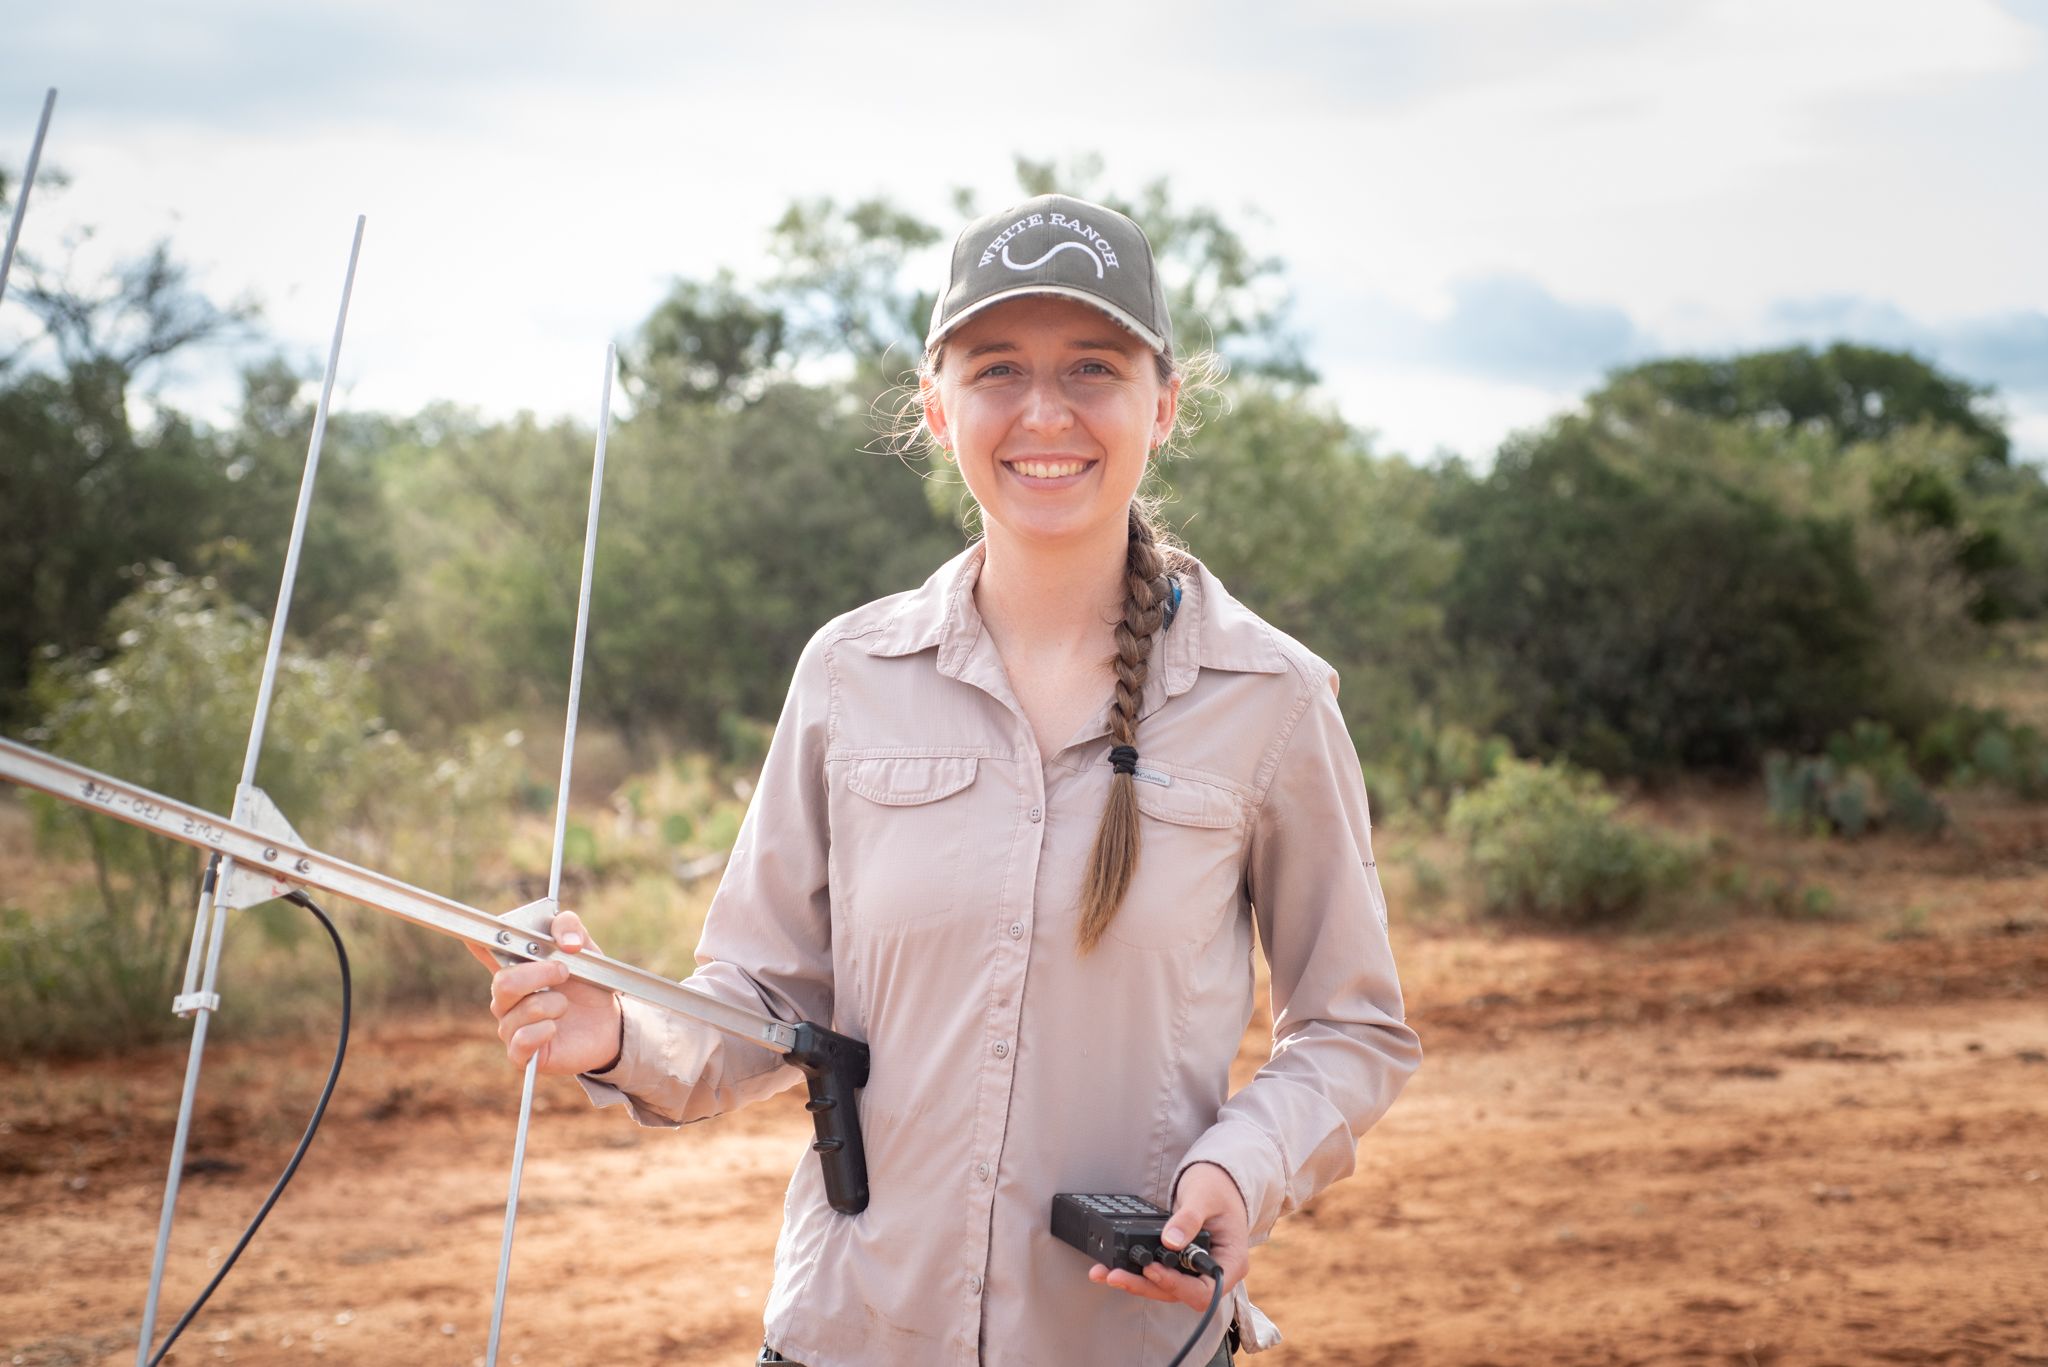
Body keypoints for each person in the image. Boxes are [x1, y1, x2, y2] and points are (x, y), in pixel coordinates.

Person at [475, 193, 1421, 1366]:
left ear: (1162, 404)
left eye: (1091, 367)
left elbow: (1350, 1028)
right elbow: (767, 996)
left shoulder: (1269, 699)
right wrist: (615, 1027)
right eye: (995, 369)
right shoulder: (847, 674)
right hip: (851, 1332)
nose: (1043, 412)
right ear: (935, 407)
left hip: (1121, 1343)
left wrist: (1240, 1164)